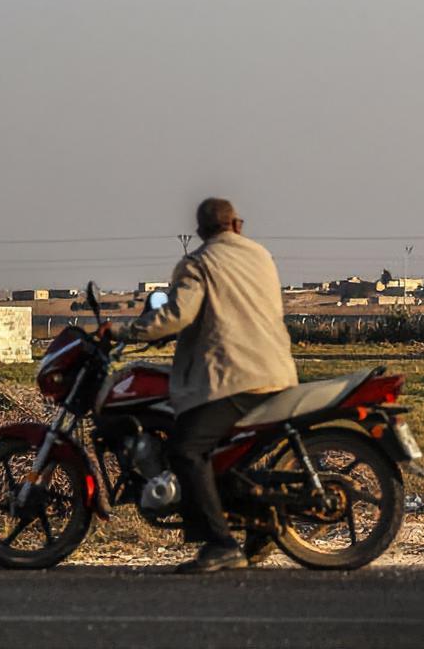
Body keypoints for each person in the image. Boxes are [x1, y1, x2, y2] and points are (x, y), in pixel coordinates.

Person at [116, 197, 298, 573]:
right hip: (277, 372)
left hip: (237, 378)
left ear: (200, 231)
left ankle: (221, 544)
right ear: (237, 225)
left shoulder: (198, 263)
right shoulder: (261, 255)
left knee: (185, 451)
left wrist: (127, 330)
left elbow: (178, 314)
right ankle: (257, 523)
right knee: (218, 458)